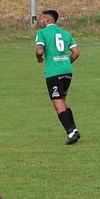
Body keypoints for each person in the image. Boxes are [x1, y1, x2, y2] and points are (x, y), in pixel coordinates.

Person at [34, 8, 80, 143]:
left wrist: (38, 58)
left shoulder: (42, 33)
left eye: (42, 18)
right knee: (63, 99)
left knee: (57, 101)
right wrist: (66, 62)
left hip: (53, 72)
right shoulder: (66, 33)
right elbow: (76, 52)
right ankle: (74, 129)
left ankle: (71, 132)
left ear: (47, 20)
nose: (40, 21)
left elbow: (40, 50)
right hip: (67, 70)